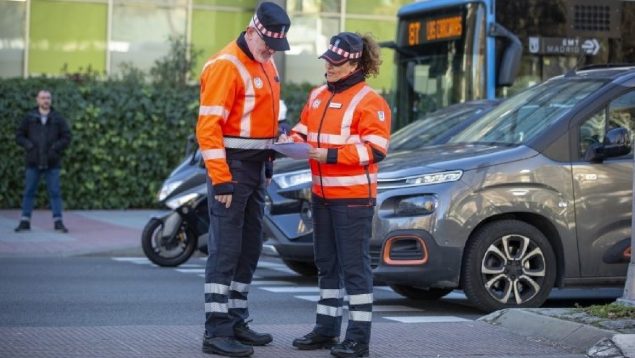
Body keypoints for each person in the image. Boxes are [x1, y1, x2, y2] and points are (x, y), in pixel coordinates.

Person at [195, 2, 291, 357]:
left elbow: (261, 119)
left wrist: (270, 157)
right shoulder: (226, 65)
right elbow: (208, 128)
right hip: (232, 170)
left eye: (275, 47)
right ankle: (216, 330)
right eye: (267, 45)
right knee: (226, 248)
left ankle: (235, 318)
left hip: (254, 167)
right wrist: (220, 180)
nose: (270, 52)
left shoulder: (264, 60)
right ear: (252, 31)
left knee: (250, 246)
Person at [287, 32, 391, 358]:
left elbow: (375, 150)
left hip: (353, 198)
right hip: (322, 196)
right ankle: (326, 330)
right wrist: (288, 141)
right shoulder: (318, 95)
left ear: (354, 63)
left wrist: (327, 155)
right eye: (328, 60)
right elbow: (302, 130)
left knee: (354, 268)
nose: (329, 66)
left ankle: (358, 339)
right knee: (326, 264)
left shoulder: (370, 101)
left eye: (336, 62)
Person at [15, 90, 71, 233]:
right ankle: (25, 221)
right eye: (43, 98)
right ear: (37, 100)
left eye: (48, 98)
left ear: (50, 100)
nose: (46, 100)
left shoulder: (57, 118)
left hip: (52, 162)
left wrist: (55, 149)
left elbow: (66, 137)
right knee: (29, 191)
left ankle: (58, 221)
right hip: (33, 162)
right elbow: (19, 136)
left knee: (55, 192)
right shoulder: (29, 117)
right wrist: (30, 146)